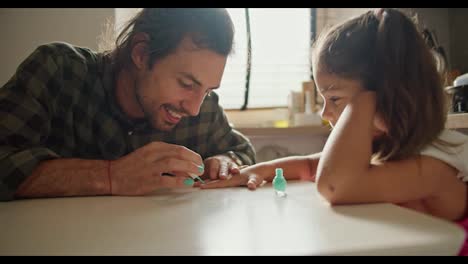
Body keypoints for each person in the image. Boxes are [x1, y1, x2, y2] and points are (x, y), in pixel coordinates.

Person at [200, 8, 468, 255]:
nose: (325, 113)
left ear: (386, 97)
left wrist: (365, 101)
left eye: (336, 99)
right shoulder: (385, 147)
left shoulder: (434, 165)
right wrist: (253, 172)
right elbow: (308, 165)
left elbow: (333, 186)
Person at [0, 8, 256, 201]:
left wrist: (224, 161)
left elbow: (242, 151)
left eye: (208, 90)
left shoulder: (203, 109)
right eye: (186, 84)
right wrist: (109, 175)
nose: (194, 108)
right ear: (141, 53)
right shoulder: (57, 72)